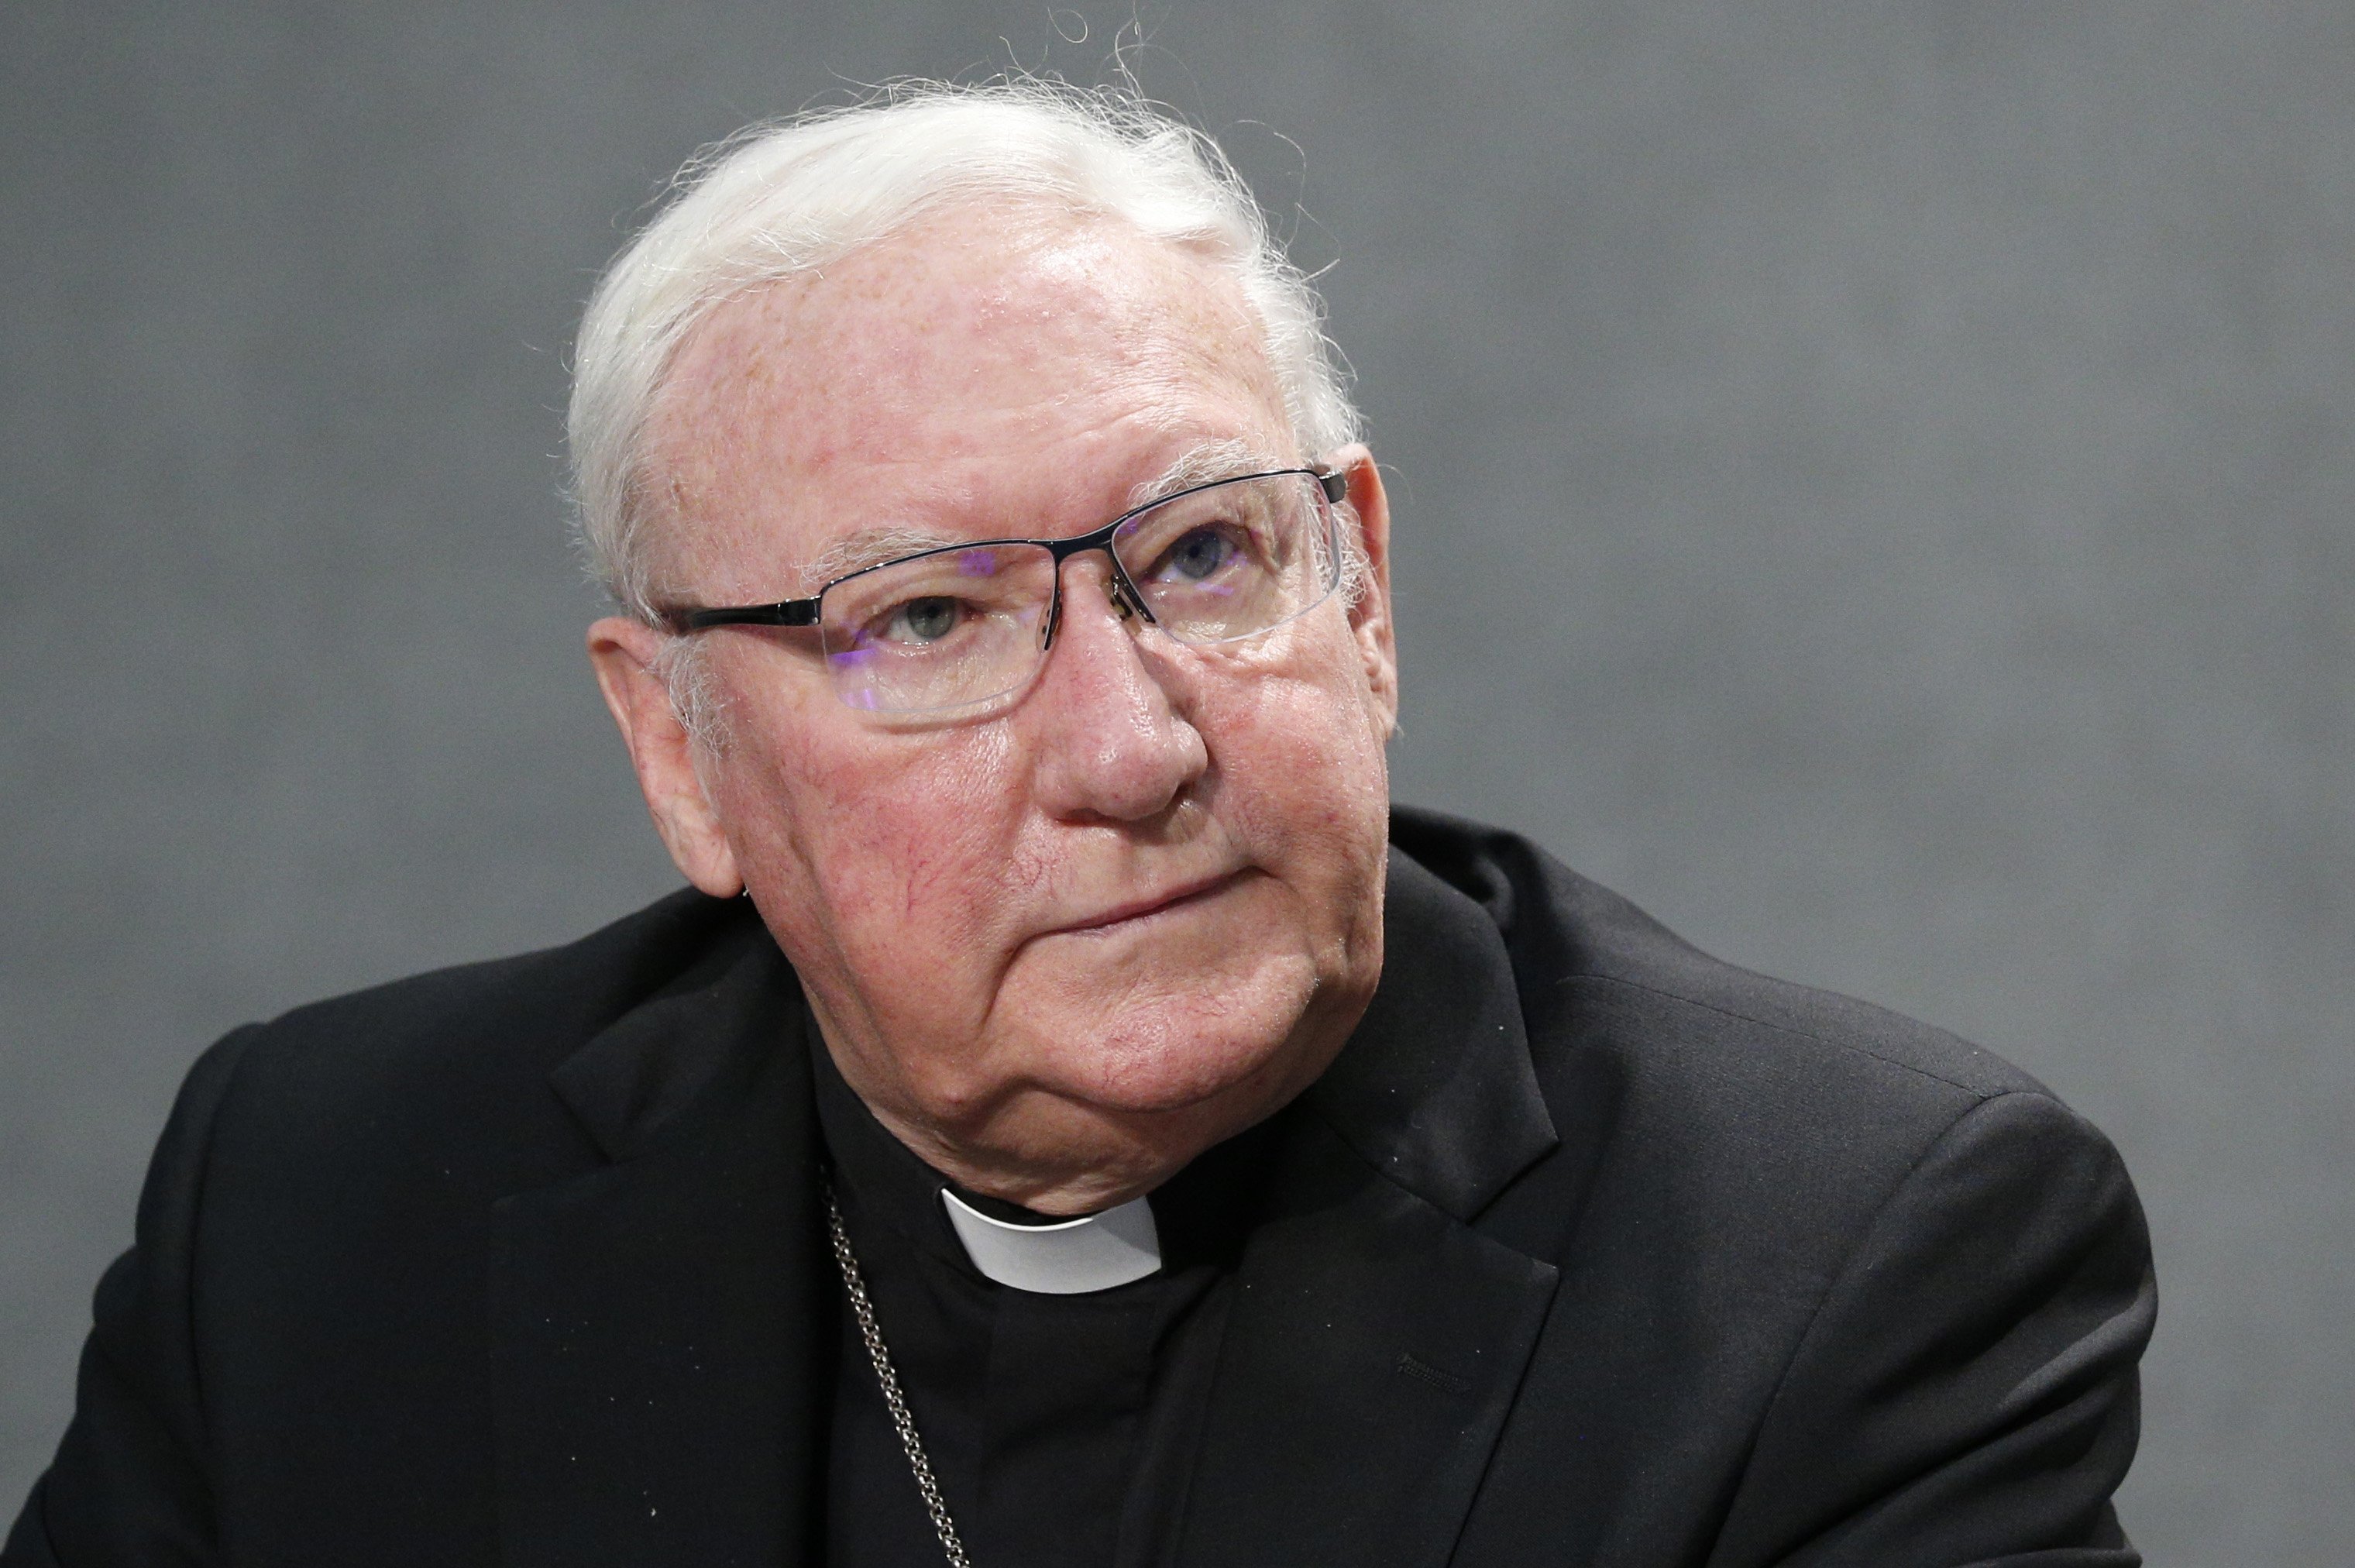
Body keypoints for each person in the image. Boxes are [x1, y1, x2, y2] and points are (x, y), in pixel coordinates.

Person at [3, 82, 2154, 1568]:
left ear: (1367, 593)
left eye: (1204, 559)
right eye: (925, 616)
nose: (1131, 750)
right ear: (680, 757)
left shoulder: (1849, 1260)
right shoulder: (318, 1205)